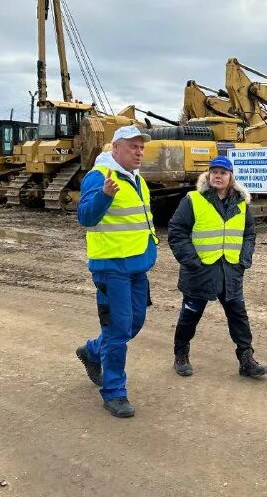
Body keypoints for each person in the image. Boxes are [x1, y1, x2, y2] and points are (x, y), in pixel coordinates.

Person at [74, 125, 158, 418]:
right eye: (133, 147)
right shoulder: (100, 177)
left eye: (141, 147)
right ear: (115, 148)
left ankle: (93, 351)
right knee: (119, 329)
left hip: (136, 265)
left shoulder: (137, 180)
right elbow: (86, 216)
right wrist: (105, 196)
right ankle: (114, 392)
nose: (139, 152)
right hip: (111, 267)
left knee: (134, 324)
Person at [168, 155, 267, 378]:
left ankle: (246, 360)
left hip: (230, 271)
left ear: (231, 177)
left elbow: (249, 234)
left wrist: (244, 260)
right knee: (190, 315)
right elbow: (177, 233)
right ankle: (181, 354)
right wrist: (192, 261)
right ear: (208, 175)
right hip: (200, 271)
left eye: (223, 172)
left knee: (238, 316)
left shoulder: (241, 203)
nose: (218, 176)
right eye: (214, 172)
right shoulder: (194, 199)